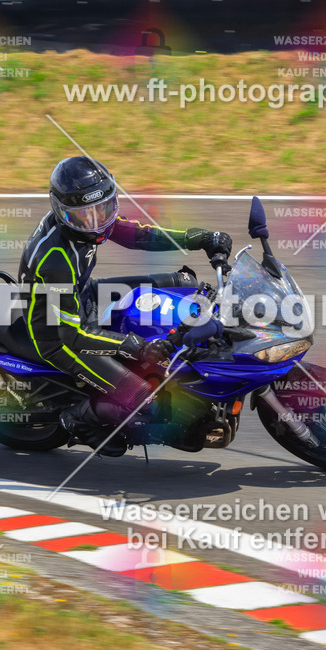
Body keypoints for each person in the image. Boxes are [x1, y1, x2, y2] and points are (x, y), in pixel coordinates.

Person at [18, 156, 231, 456]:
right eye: (86, 215)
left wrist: (200, 239)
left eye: (103, 208)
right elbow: (71, 335)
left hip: (83, 294)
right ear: (63, 213)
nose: (99, 221)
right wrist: (136, 346)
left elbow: (141, 235)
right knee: (143, 395)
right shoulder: (56, 261)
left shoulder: (87, 222)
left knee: (182, 280)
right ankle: (79, 420)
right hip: (57, 335)